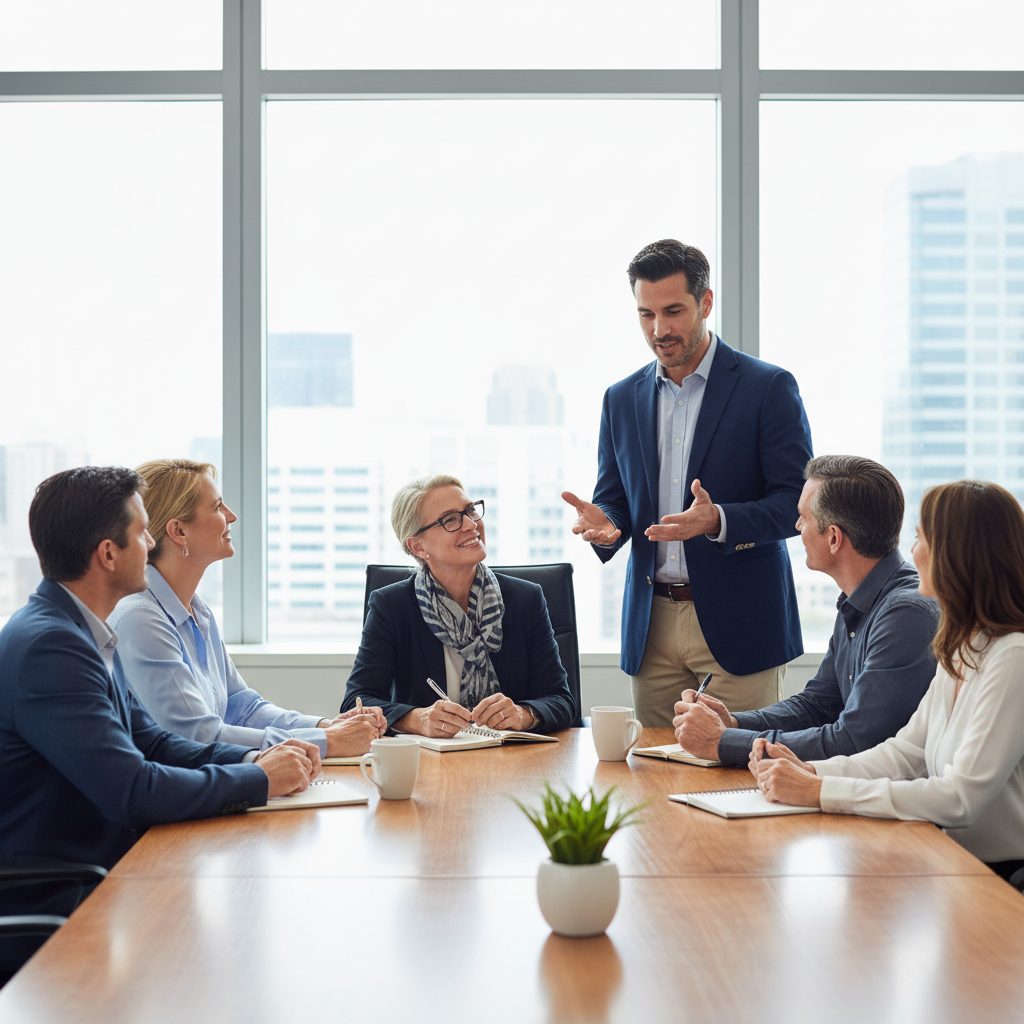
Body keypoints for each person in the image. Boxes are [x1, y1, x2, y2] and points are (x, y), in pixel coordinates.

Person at [0, 468, 317, 936]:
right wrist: (256, 778)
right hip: (65, 896)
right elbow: (132, 790)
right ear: (108, 554)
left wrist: (255, 757)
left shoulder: (80, 631)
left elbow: (154, 741)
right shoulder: (52, 647)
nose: (151, 545)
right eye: (142, 533)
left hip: (105, 876)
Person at [562, 239, 813, 725]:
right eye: (645, 315)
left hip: (740, 625)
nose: (660, 330)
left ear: (706, 302)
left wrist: (718, 520)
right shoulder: (620, 398)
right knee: (653, 783)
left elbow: (796, 504)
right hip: (651, 625)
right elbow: (614, 498)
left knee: (740, 777)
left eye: (673, 311)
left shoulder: (768, 388)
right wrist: (607, 525)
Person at [752, 480, 1024, 882]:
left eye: (920, 538)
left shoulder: (1013, 656)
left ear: (956, 555)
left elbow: (960, 798)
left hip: (999, 879)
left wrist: (822, 792)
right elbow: (904, 755)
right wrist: (814, 773)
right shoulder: (962, 648)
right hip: (950, 865)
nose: (913, 552)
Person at [673, 455, 938, 766]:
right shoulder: (861, 598)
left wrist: (722, 742)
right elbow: (817, 705)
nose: (797, 526)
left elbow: (854, 741)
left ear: (834, 537)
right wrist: (732, 723)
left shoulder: (905, 615)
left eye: (803, 518)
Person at [110, 459, 384, 758]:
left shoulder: (197, 610)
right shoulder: (140, 618)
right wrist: (327, 742)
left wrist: (326, 726)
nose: (232, 516)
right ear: (178, 531)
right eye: (217, 507)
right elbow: (197, 735)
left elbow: (242, 706)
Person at [342, 475, 575, 735]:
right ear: (417, 546)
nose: (470, 524)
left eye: (470, 511)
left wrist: (524, 714)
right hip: (427, 763)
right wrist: (416, 719)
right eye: (450, 519)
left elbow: (561, 700)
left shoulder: (526, 599)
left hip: (513, 760)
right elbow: (357, 702)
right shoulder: (392, 606)